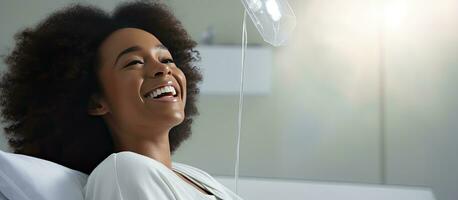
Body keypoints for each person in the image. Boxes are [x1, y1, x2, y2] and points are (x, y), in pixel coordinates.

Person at [0, 1, 243, 199]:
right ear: (96, 102)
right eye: (134, 62)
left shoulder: (195, 176)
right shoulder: (124, 172)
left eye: (167, 59)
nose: (163, 69)